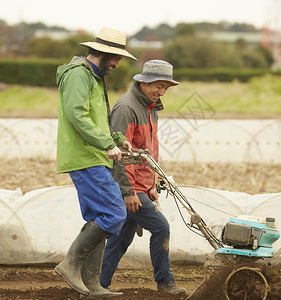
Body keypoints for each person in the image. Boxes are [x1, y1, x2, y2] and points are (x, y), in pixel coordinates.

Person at [54, 27, 135, 298]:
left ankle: (91, 284)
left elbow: (96, 120)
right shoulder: (79, 75)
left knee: (99, 217)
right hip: (86, 157)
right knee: (115, 213)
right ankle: (70, 263)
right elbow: (77, 116)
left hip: (94, 155)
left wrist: (116, 138)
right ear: (103, 53)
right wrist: (106, 144)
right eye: (116, 58)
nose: (116, 64)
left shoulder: (94, 77)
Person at [100, 60, 186, 295]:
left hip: (140, 185)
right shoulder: (126, 108)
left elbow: (146, 153)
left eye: (166, 88)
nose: (162, 92)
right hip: (128, 186)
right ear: (143, 81)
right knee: (161, 228)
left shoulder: (151, 108)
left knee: (121, 238)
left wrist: (151, 185)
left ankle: (99, 284)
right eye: (159, 86)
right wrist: (127, 192)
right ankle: (165, 282)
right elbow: (119, 155)